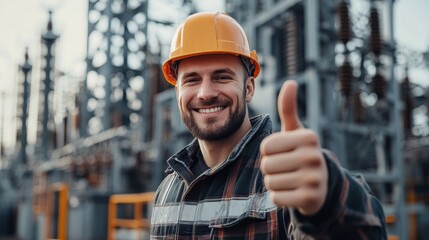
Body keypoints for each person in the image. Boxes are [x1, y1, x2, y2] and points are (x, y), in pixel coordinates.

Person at [150, 12, 387, 239]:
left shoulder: (284, 175)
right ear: (178, 91)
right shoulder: (166, 190)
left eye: (222, 77)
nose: (205, 93)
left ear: (249, 88)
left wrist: (330, 199)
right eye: (191, 80)